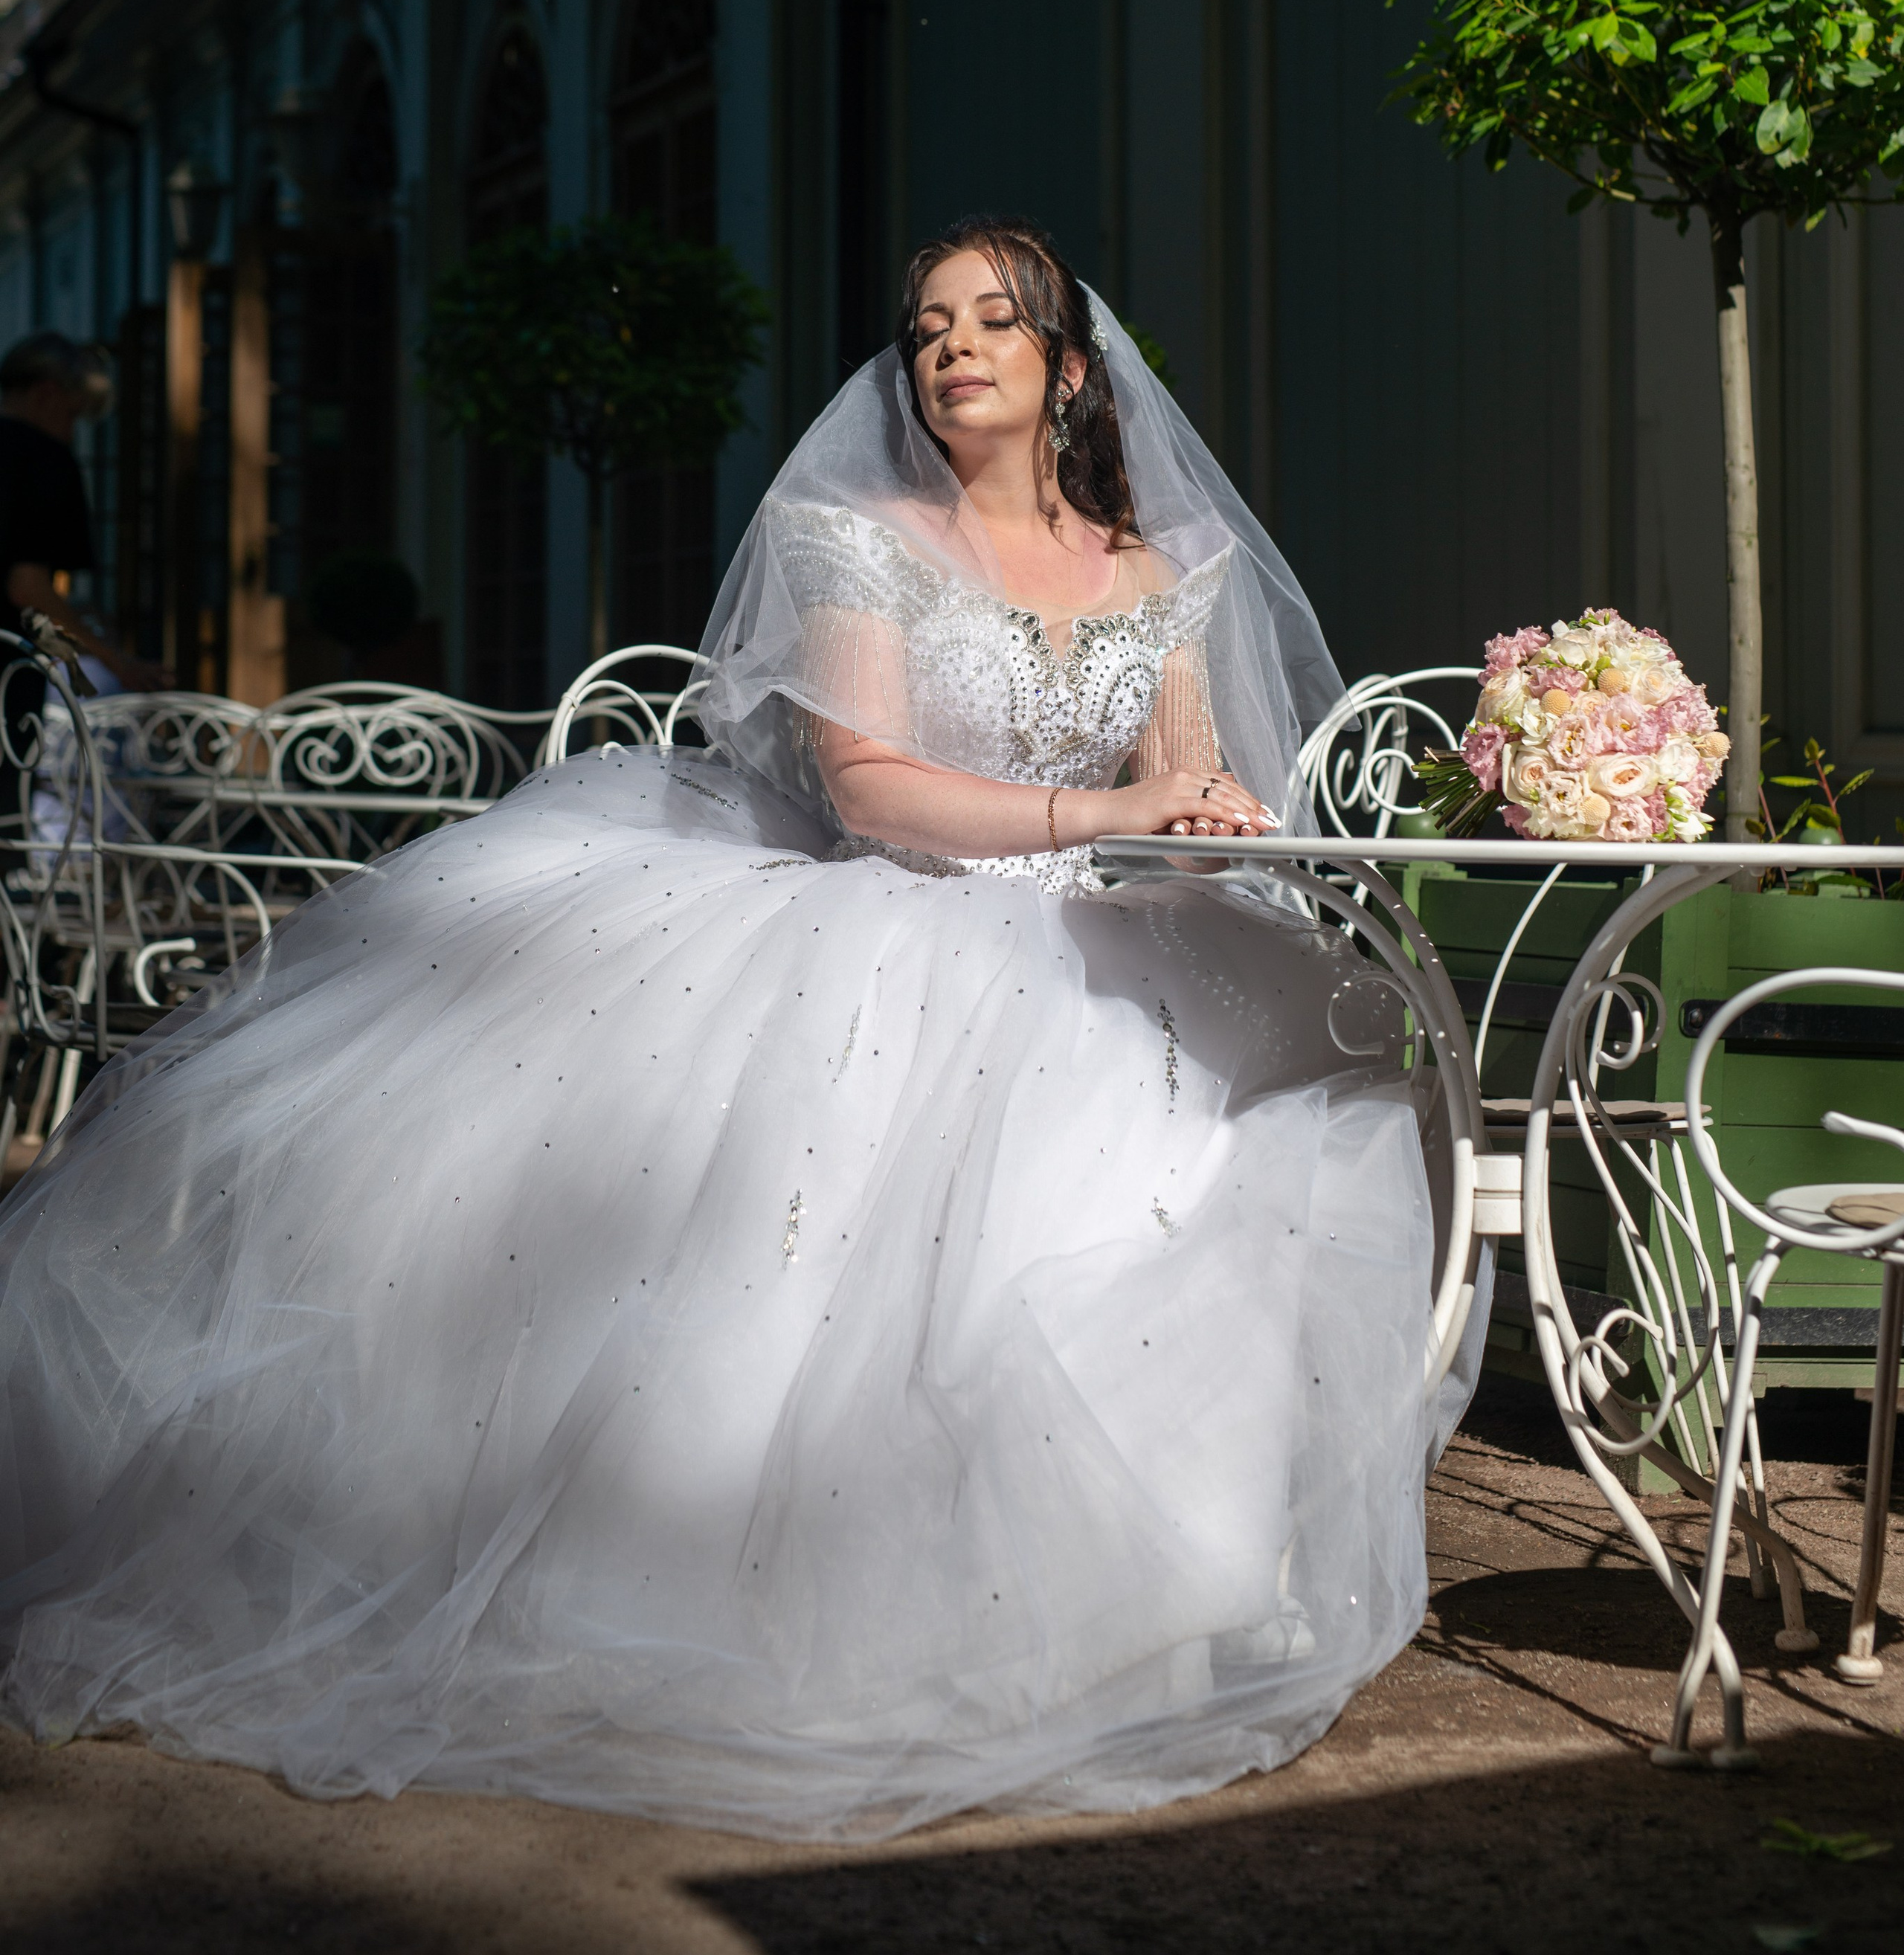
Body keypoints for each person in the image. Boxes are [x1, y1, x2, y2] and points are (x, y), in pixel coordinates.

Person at [0, 220, 1474, 1840]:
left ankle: (1170, 1574)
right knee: (1025, 1138)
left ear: (1067, 369)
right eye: (924, 327)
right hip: (905, 918)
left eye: (993, 321)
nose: (951, 347)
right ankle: (936, 1606)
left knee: (1297, 1101)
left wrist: (1195, 815)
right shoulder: (860, 535)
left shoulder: (1158, 572)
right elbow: (865, 790)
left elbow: (1184, 774)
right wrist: (1100, 801)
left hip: (1118, 916)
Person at [0, 331, 167, 695]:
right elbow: (27, 586)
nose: (72, 432)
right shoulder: (43, 459)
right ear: (46, 394)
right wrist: (116, 661)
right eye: (72, 415)